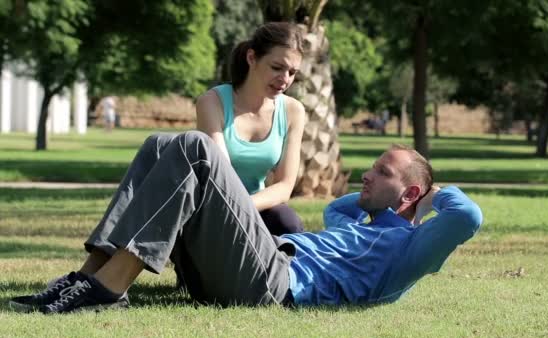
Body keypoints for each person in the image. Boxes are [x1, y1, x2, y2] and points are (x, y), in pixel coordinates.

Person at [9, 130, 482, 314]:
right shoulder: (357, 223)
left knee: (198, 148)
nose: (367, 173)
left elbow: (467, 217)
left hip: (275, 285)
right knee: (159, 144)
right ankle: (87, 276)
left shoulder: (411, 251)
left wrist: (431, 196)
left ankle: (108, 292)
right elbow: (340, 208)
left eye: (383, 171)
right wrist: (386, 199)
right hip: (259, 266)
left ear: (413, 193)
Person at [196, 22, 306, 236]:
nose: (285, 79)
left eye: (292, 72)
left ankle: (288, 270)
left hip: (255, 207)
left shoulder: (293, 111)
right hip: (213, 207)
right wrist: (236, 208)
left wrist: (245, 206)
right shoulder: (212, 102)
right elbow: (221, 177)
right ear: (251, 58)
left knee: (287, 222)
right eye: (277, 67)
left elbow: (284, 186)